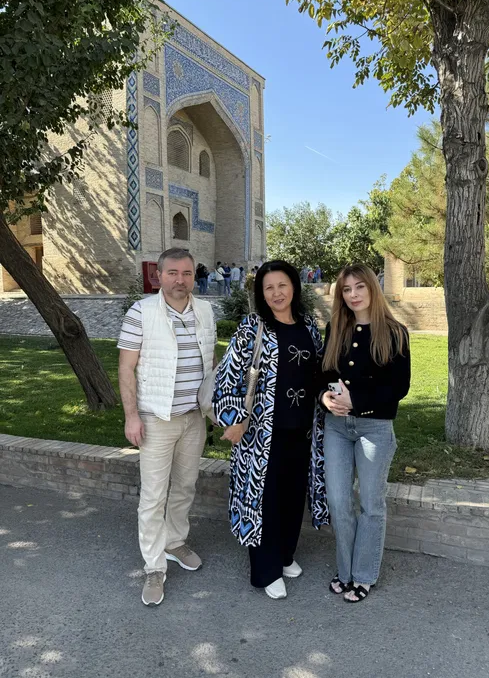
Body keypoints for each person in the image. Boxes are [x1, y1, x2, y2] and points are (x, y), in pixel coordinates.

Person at [213, 261, 328, 599]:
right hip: (262, 434)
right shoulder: (253, 327)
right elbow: (230, 375)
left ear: (294, 286)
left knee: (293, 496)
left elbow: (319, 370)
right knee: (265, 499)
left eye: (282, 285)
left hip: (302, 430)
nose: (277, 293)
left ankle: (285, 554)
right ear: (261, 294)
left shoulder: (308, 325)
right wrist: (234, 418)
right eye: (269, 288)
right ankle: (266, 570)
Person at [118, 248, 216, 607]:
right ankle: (154, 566)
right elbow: (126, 367)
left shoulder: (205, 311)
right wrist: (131, 416)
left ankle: (174, 542)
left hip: (193, 418)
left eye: (187, 273)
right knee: (153, 496)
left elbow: (210, 362)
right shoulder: (141, 312)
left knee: (185, 487)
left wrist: (214, 407)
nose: (180, 280)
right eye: (172, 273)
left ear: (194, 277)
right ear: (158, 276)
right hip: (156, 419)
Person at [319, 263, 410, 603]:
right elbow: (323, 374)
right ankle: (345, 570)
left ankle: (364, 575)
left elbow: (399, 387)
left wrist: (356, 400)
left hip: (375, 428)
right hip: (337, 428)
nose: (353, 294)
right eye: (346, 289)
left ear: (372, 288)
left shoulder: (395, 332)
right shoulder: (336, 328)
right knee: (338, 501)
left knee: (370, 503)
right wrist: (324, 397)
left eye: (360, 287)